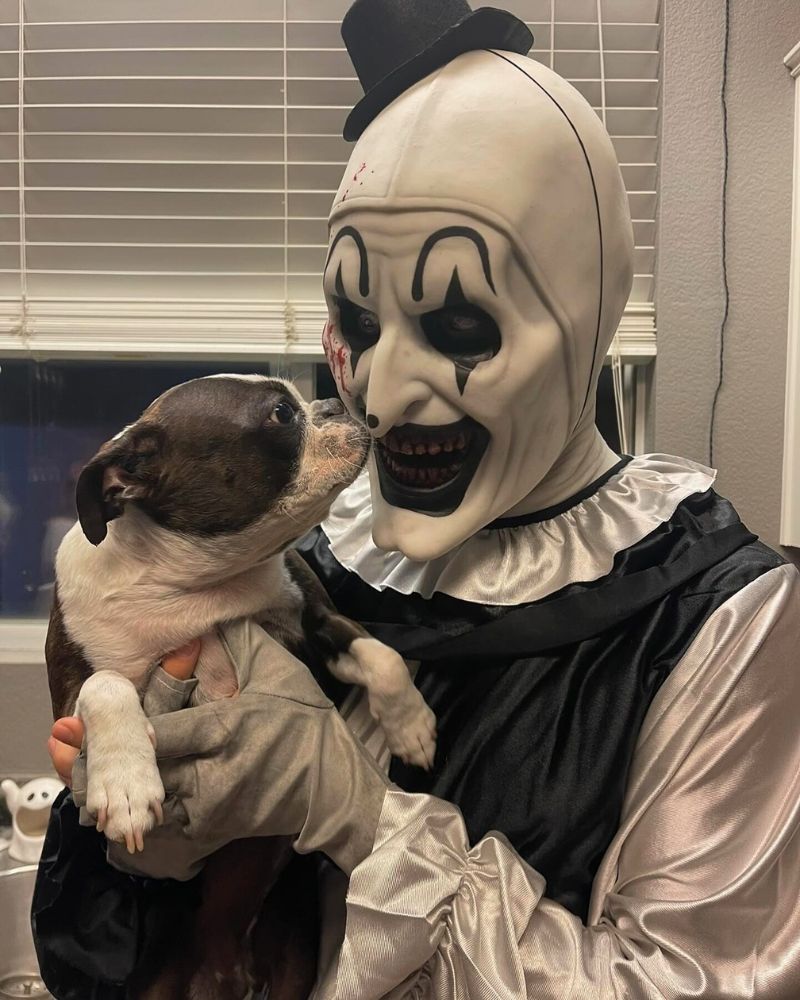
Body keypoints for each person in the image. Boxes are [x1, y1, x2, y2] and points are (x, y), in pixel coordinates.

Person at [38, 0, 800, 996]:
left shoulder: (715, 621)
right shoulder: (312, 549)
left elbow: (688, 980)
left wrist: (365, 817)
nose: (381, 396)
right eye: (357, 320)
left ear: (586, 311)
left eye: (458, 321)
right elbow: (124, 927)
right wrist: (152, 831)